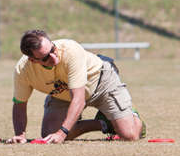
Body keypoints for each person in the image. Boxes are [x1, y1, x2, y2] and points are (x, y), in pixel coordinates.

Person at [8, 29, 146, 144]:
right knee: (50, 135)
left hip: (101, 82)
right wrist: (20, 134)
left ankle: (131, 115)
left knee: (130, 136)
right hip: (64, 93)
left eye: (53, 49)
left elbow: (79, 99)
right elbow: (20, 104)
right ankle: (104, 123)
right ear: (32, 60)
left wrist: (62, 133)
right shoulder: (23, 70)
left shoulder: (71, 51)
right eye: (45, 58)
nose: (54, 58)